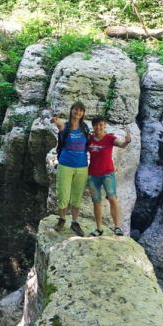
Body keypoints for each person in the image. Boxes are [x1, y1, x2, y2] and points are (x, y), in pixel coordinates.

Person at [86, 116, 131, 237]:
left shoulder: (109, 138)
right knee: (96, 202)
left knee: (112, 199)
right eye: (96, 125)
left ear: (104, 125)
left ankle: (117, 227)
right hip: (93, 175)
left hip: (107, 174)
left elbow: (121, 144)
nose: (98, 127)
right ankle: (99, 229)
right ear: (93, 126)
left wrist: (126, 141)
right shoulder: (89, 139)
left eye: (101, 124)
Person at [50, 101, 90, 236]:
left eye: (81, 110)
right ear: (71, 110)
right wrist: (55, 120)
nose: (78, 112)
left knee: (77, 195)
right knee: (63, 194)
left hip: (82, 166)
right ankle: (61, 219)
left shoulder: (85, 128)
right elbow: (59, 124)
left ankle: (74, 222)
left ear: (83, 113)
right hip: (65, 164)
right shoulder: (65, 127)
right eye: (76, 109)